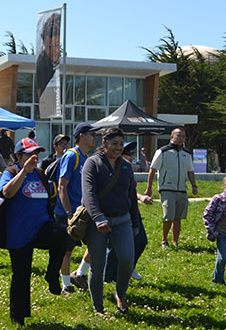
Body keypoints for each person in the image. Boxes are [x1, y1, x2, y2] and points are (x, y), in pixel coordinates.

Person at [0, 138, 67, 326]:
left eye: (36, 153)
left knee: (63, 236)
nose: (34, 157)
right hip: (19, 232)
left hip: (41, 227)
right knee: (22, 274)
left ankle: (52, 276)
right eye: (29, 154)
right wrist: (23, 173)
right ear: (18, 156)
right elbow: (6, 193)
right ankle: (18, 317)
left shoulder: (40, 173)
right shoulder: (10, 172)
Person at [82, 128, 139, 314]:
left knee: (127, 259)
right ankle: (98, 307)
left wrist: (135, 223)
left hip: (123, 220)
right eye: (114, 143)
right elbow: (88, 194)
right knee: (98, 266)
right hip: (97, 223)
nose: (118, 147)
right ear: (104, 143)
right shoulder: (92, 163)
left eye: (121, 144)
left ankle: (120, 294)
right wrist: (98, 218)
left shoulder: (126, 166)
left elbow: (131, 196)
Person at [54, 122, 100, 294]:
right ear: (82, 136)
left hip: (83, 212)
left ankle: (79, 274)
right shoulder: (71, 156)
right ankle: (66, 285)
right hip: (69, 212)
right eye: (92, 134)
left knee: (97, 244)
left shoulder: (87, 158)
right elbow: (62, 186)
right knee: (67, 251)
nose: (95, 137)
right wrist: (68, 213)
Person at [104, 141, 151, 283]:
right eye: (127, 154)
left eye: (131, 154)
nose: (130, 157)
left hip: (133, 211)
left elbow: (130, 191)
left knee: (141, 241)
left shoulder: (127, 169)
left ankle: (128, 268)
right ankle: (109, 277)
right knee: (114, 247)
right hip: (118, 213)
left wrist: (141, 197)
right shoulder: (112, 169)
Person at [143, 128, 198, 249]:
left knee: (178, 217)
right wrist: (149, 188)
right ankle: (164, 240)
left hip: (182, 189)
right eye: (178, 136)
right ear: (172, 137)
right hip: (167, 188)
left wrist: (194, 185)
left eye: (183, 136)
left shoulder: (187, 153)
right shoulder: (162, 151)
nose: (181, 138)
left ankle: (175, 242)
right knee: (168, 216)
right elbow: (153, 169)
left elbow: (190, 171)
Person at [203, 171, 226, 290]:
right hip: (222, 234)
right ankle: (218, 280)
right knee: (222, 258)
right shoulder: (219, 199)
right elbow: (207, 214)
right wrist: (212, 231)